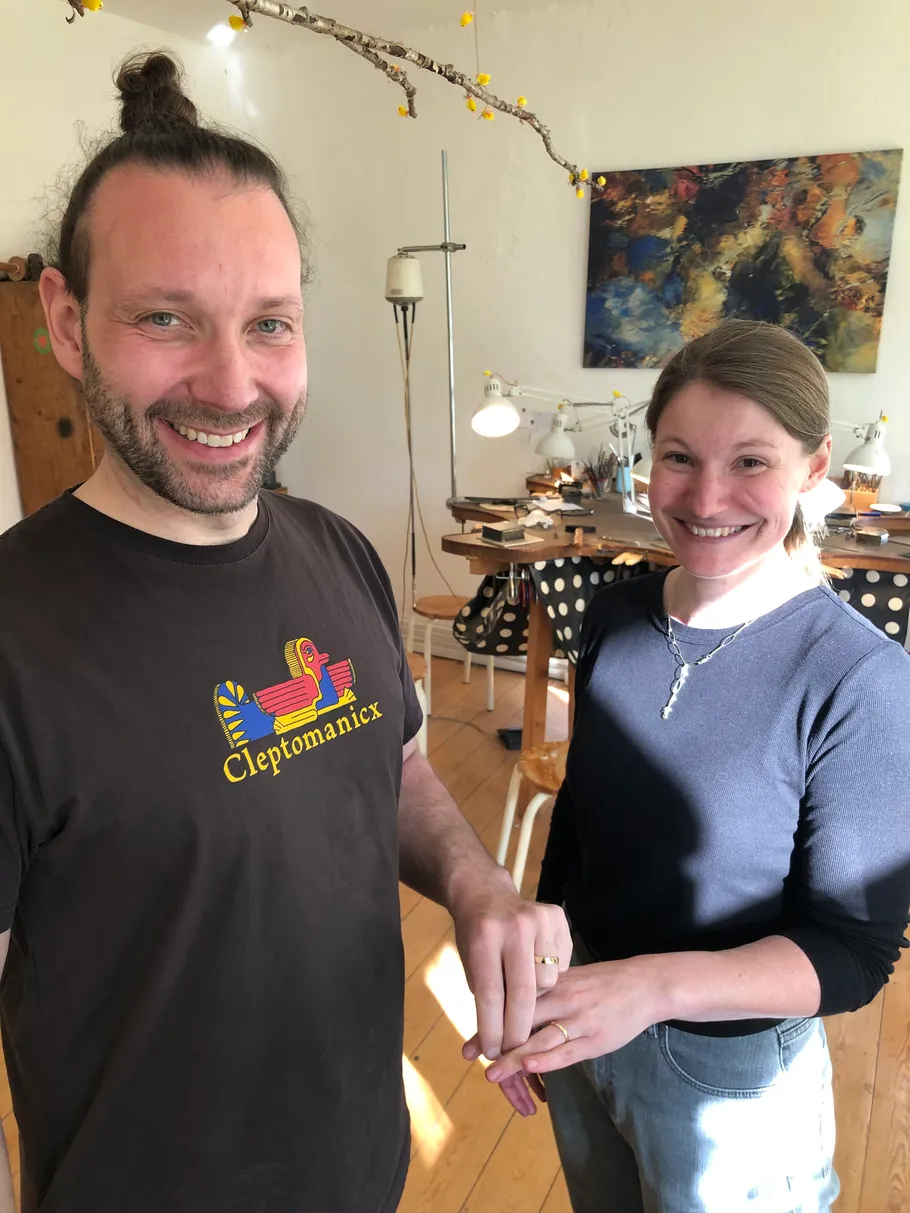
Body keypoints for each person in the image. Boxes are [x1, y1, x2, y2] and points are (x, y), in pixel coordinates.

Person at [0, 52, 571, 1213]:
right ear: (64, 319)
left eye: (269, 324)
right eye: (166, 317)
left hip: (362, 1168)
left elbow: (394, 759)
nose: (229, 383)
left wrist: (473, 883)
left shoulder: (334, 549)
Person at [468, 320, 910, 1211]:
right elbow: (584, 822)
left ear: (814, 468)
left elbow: (854, 953)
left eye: (751, 461)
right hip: (588, 1013)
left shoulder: (858, 676)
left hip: (732, 1070)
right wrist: (542, 982)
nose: (706, 497)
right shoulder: (618, 615)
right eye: (679, 456)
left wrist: (650, 987)